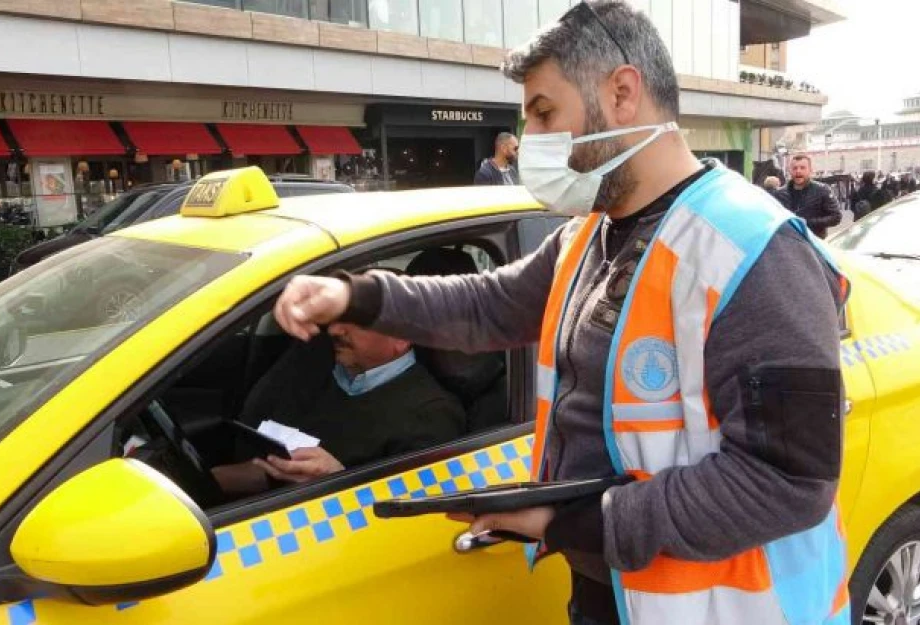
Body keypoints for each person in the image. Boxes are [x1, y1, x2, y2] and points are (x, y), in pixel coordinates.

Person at [272, 2, 849, 624]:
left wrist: (571, 520)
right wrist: (357, 296)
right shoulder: (587, 235)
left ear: (622, 92)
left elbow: (787, 481)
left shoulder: (753, 250)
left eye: (546, 112)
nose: (533, 141)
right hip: (612, 591)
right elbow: (490, 305)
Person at [213, 300, 466, 497]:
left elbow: (412, 518)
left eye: (356, 321)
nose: (335, 330)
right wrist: (204, 483)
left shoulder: (432, 415)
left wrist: (337, 477)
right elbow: (274, 469)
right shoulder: (317, 369)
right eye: (337, 317)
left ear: (401, 337)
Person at [772, 154, 842, 238]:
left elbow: (836, 217)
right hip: (788, 243)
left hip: (813, 243)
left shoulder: (823, 190)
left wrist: (808, 222)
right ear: (790, 171)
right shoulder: (779, 193)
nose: (798, 171)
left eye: (802, 168)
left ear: (810, 170)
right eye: (795, 168)